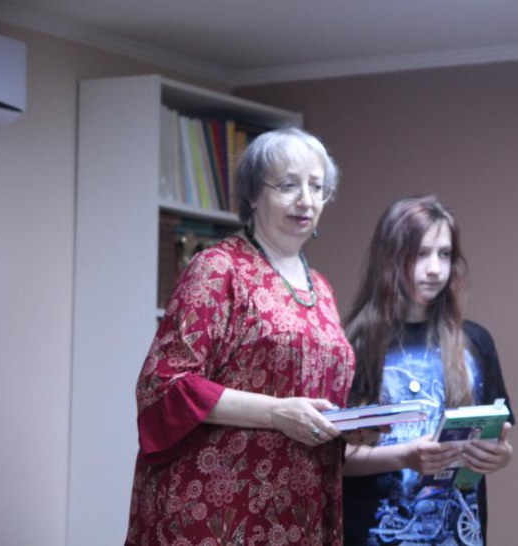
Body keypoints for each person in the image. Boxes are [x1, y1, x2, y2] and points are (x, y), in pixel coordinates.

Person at [125, 127, 356, 546]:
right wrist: (275, 413)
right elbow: (166, 385)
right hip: (219, 509)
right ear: (252, 195)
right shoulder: (217, 269)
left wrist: (357, 424)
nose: (306, 200)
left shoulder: (321, 288)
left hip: (299, 507)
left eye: (317, 187)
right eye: (288, 185)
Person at [341, 195, 515, 546]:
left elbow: (498, 438)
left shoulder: (476, 342)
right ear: (389, 258)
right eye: (420, 254)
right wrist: (404, 456)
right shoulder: (351, 346)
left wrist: (501, 456)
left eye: (445, 254)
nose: (435, 268)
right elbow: (333, 460)